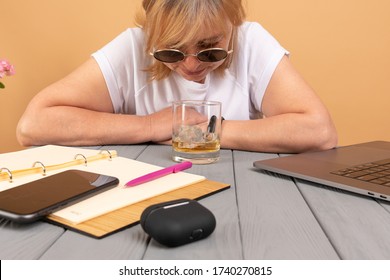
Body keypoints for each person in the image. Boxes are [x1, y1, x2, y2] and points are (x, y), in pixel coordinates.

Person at [17, 0, 337, 153]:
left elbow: (319, 132)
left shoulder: (251, 41)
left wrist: (210, 131)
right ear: (151, 35)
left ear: (233, 25)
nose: (191, 65)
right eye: (171, 52)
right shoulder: (132, 46)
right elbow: (33, 125)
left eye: (210, 50)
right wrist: (152, 125)